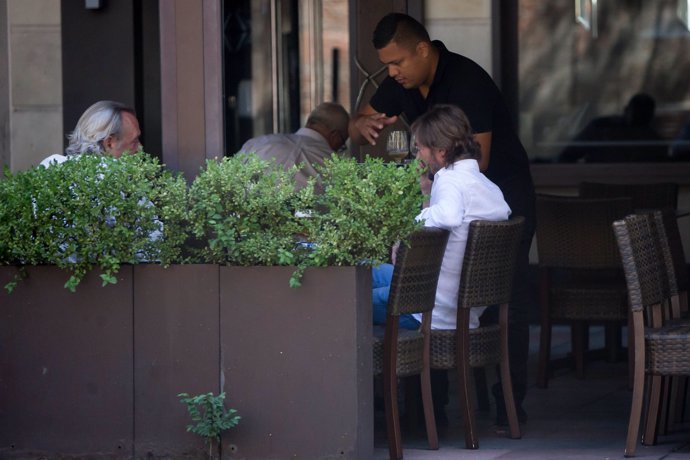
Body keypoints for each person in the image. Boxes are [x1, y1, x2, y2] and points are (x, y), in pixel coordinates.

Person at [352, 13, 535, 424]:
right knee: (413, 278)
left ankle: (506, 405)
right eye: (386, 66)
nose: (392, 72)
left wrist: (425, 196)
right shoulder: (403, 84)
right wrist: (360, 123)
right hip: (473, 204)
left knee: (506, 299)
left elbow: (479, 158)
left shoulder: (467, 81)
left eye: (397, 62)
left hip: (500, 192)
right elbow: (360, 118)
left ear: (423, 48)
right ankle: (426, 410)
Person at [238, 102, 350, 191]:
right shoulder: (334, 166)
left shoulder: (258, 144)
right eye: (341, 145)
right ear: (335, 136)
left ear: (309, 122)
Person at [559, 93, 667, 163]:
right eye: (637, 112)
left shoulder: (654, 143)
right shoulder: (602, 128)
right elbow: (568, 156)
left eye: (643, 114)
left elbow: (568, 155)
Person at [40, 100, 142, 167]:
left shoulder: (50, 168)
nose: (140, 148)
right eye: (134, 141)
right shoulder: (116, 184)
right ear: (109, 143)